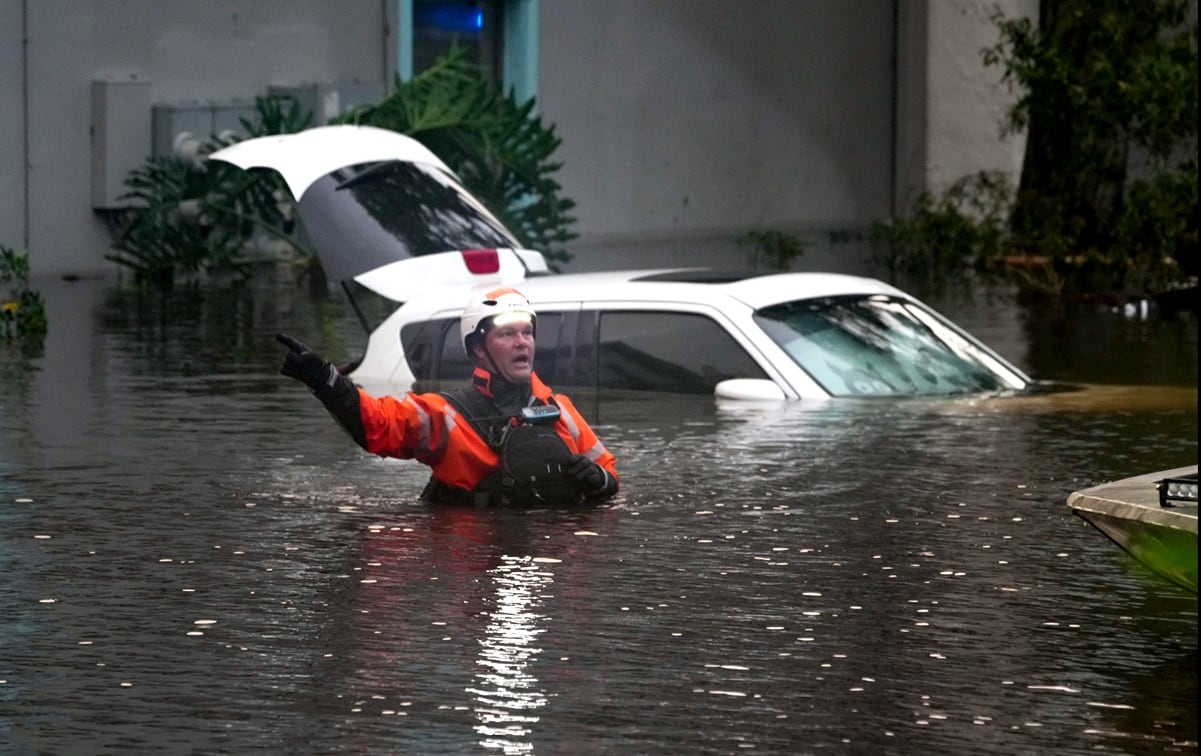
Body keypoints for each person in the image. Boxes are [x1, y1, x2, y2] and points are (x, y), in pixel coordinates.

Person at [275, 286, 619, 507]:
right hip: (471, 570)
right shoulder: (443, 415)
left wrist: (601, 481)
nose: (522, 342)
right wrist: (324, 377)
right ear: (478, 349)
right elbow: (375, 424)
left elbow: (609, 472)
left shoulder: (560, 410)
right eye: (507, 334)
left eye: (527, 332)